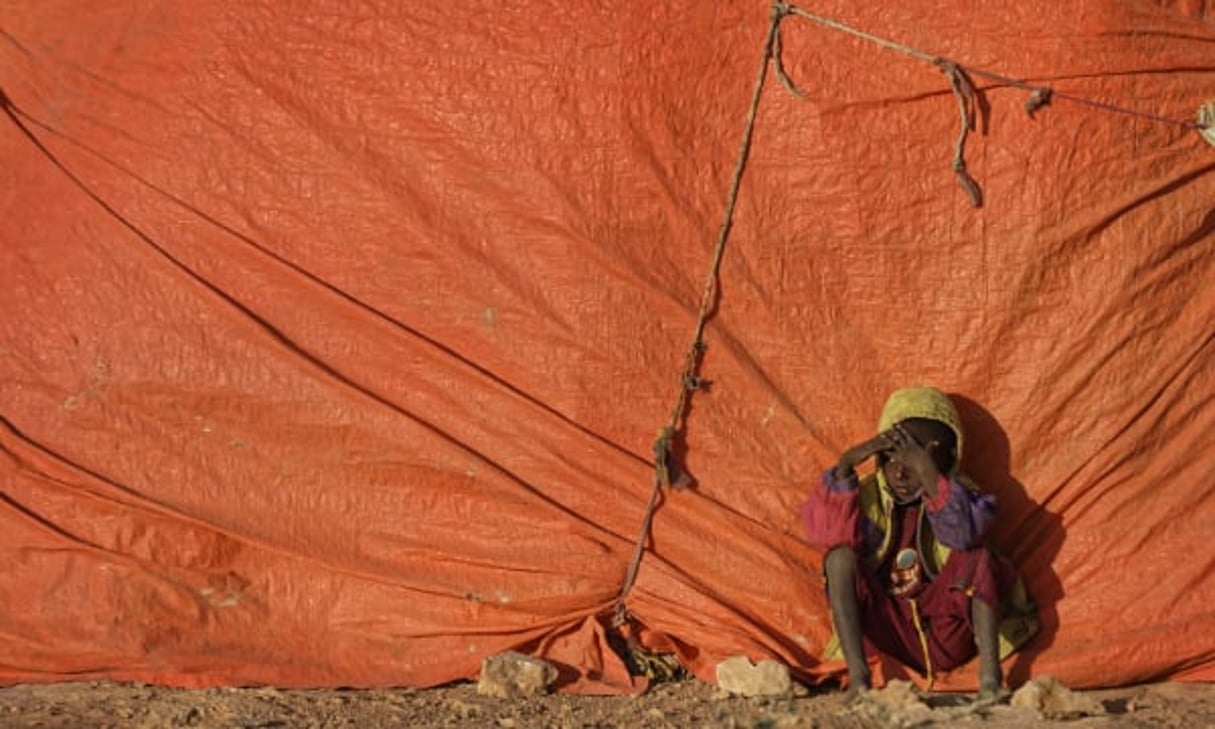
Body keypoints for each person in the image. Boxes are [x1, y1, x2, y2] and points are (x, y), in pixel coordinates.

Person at [801, 386, 1037, 700]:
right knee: (838, 559)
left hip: (945, 631)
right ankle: (859, 679)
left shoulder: (961, 494)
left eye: (916, 459)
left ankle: (990, 681)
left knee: (979, 557)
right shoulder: (867, 494)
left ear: (947, 458)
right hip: (885, 634)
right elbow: (824, 534)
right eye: (892, 455)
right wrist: (845, 465)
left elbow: (962, 534)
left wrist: (929, 475)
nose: (900, 471)